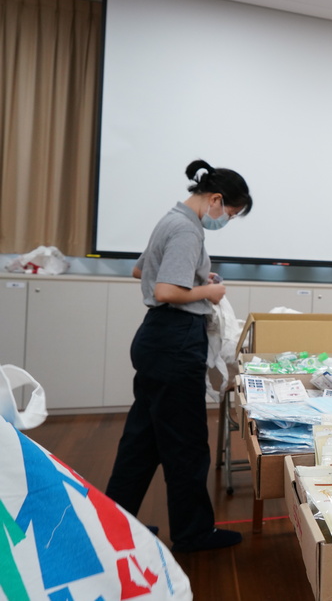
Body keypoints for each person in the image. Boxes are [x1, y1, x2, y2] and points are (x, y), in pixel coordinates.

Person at [106, 160, 253, 553]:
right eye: (230, 214)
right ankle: (193, 533)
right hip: (174, 341)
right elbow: (167, 291)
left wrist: (196, 278)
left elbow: (142, 272)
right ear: (216, 199)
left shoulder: (169, 220)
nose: (225, 220)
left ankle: (112, 528)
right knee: (186, 444)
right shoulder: (187, 229)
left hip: (155, 339)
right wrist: (209, 292)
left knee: (142, 443)